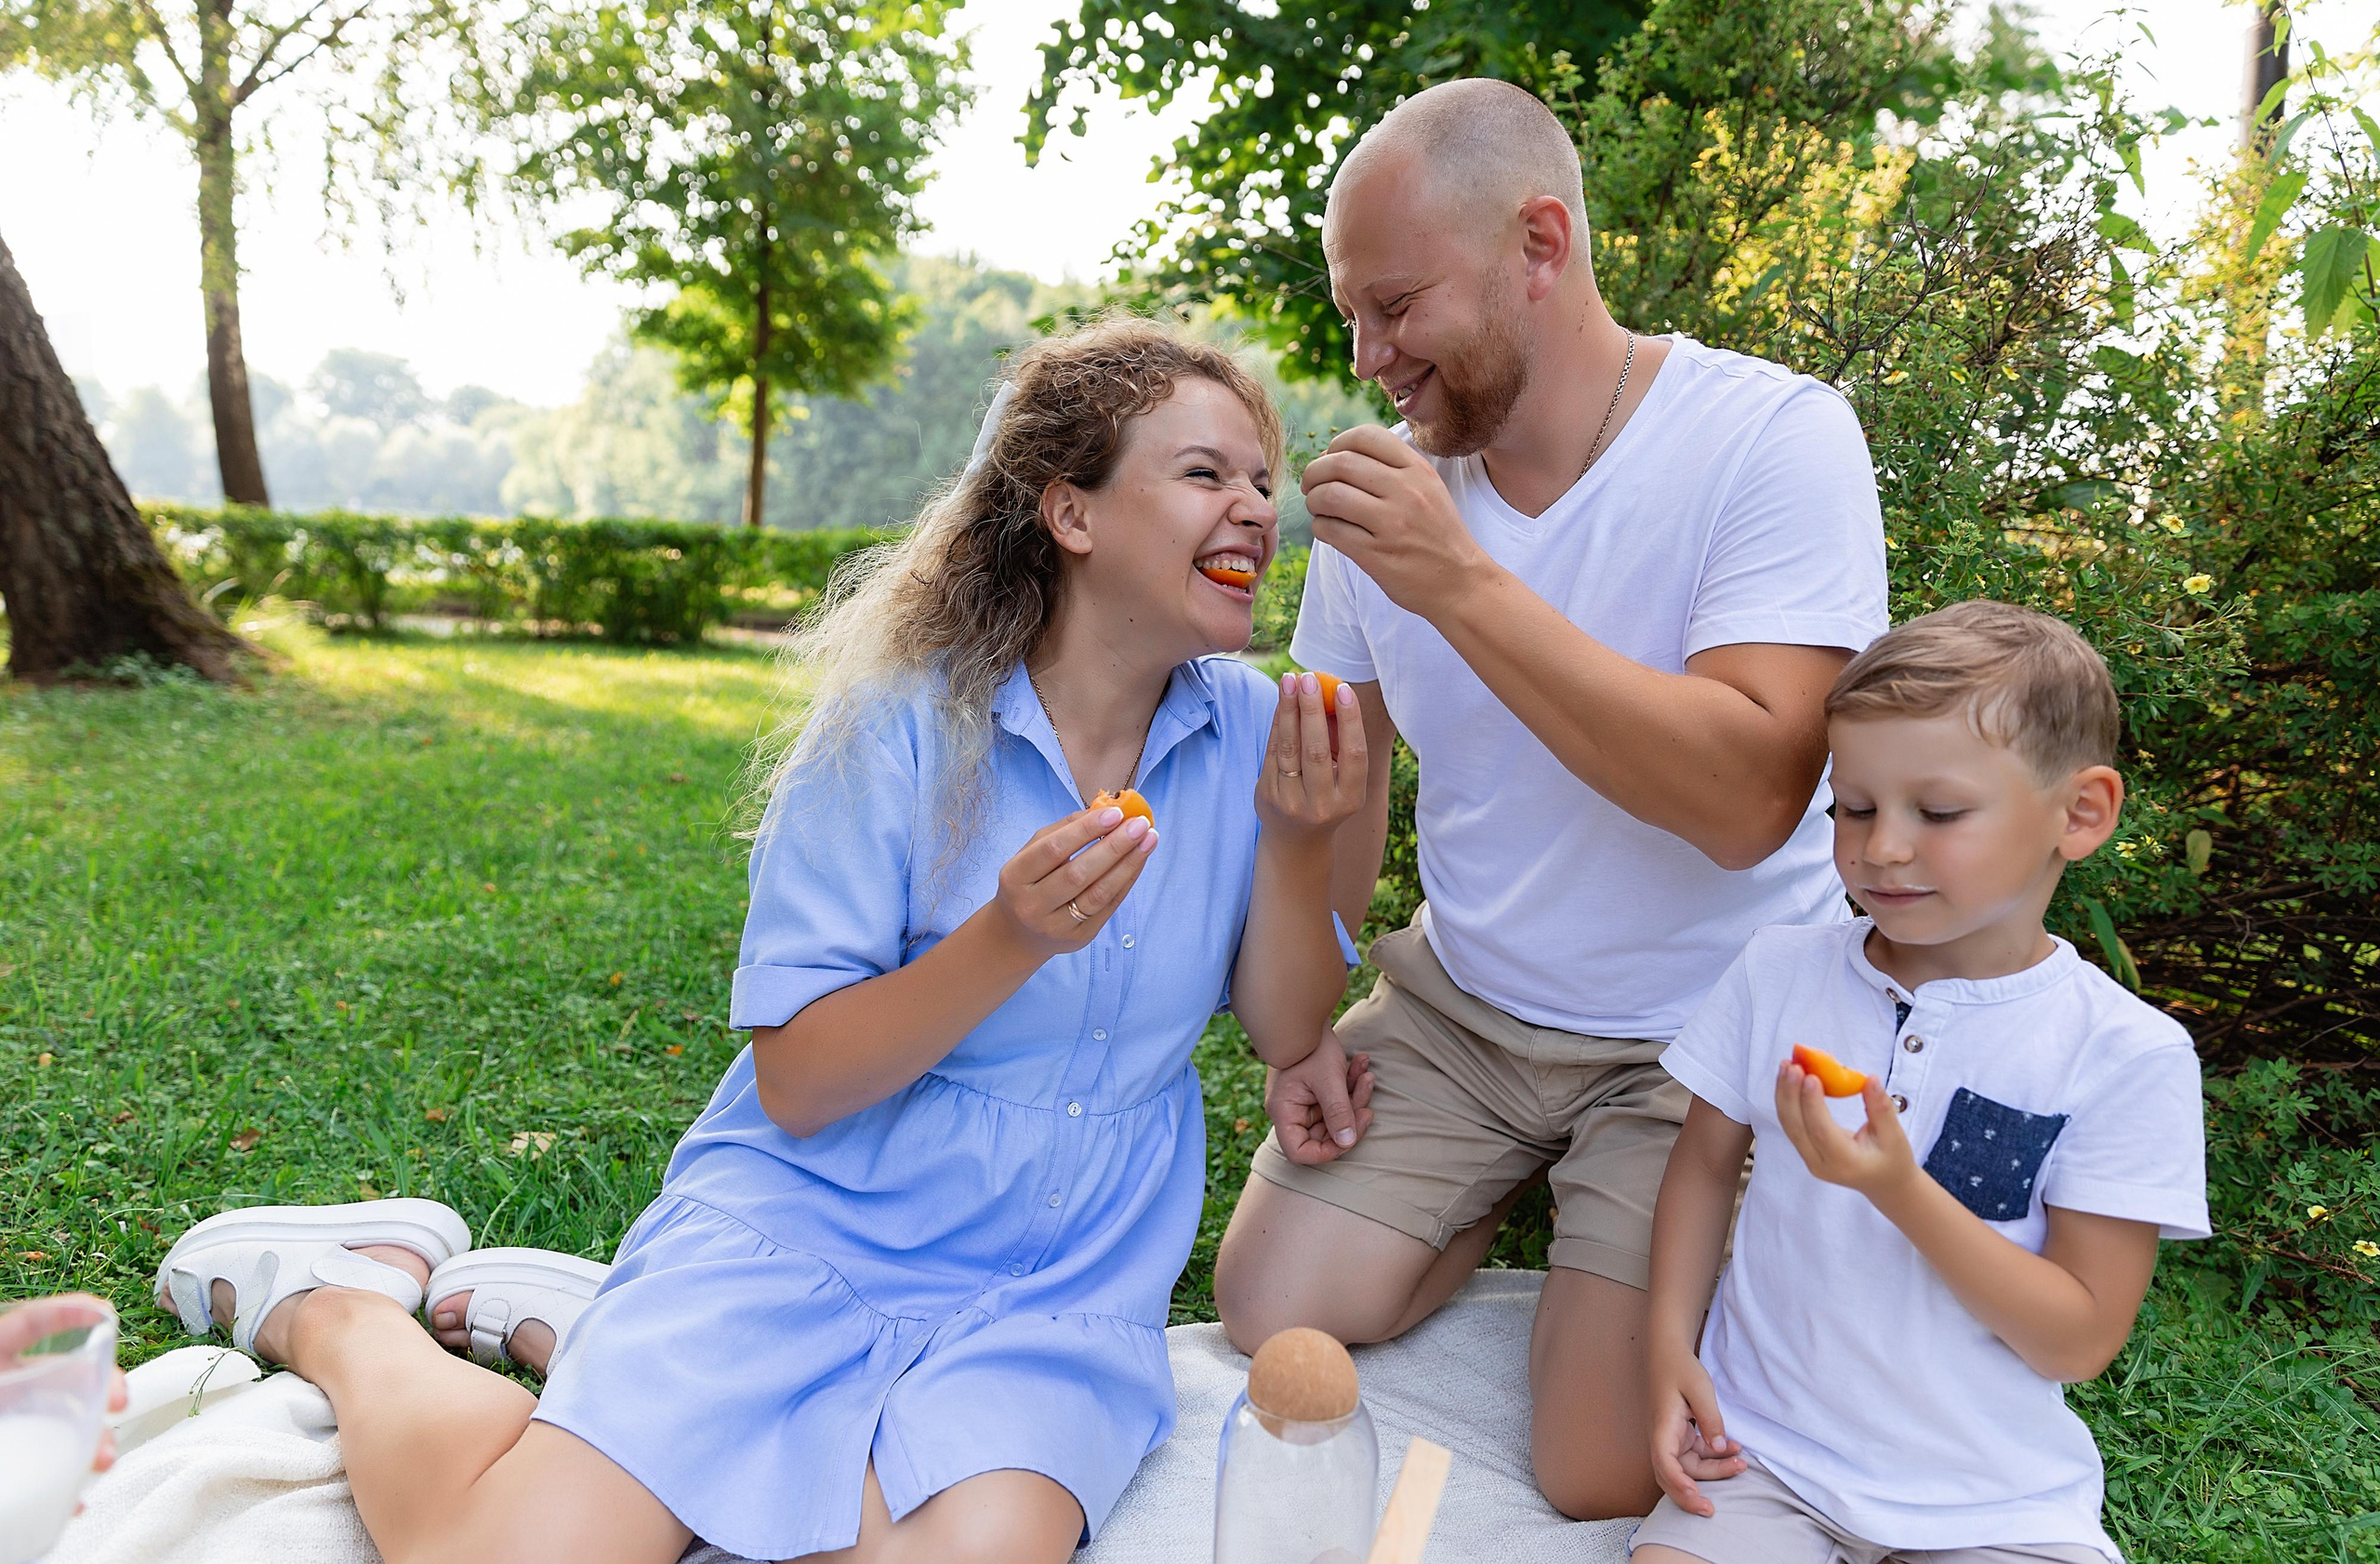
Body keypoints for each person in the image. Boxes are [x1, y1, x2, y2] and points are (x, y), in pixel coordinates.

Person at [146, 319, 1370, 1564]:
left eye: (1264, 481)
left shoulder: (1257, 731)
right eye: (1207, 474)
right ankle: (342, 1306)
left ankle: (589, 1344)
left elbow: (1283, 1027)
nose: (1256, 510)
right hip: (815, 1222)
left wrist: (1295, 839)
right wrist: (1007, 935)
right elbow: (797, 1079)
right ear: (1073, 513)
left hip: (1050, 1290)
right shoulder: (899, 726)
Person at [1212, 78, 1888, 1516]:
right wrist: (1307, 1016)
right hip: (1467, 1006)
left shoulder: (1773, 438)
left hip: (1707, 1027)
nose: (1369, 355)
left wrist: (1461, 583)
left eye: (1396, 305)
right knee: (1275, 1302)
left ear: (1541, 240)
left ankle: (1616, 1207)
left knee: (1594, 1467)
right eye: (1350, 315)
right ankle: (1506, 1189)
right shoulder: (1382, 507)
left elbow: (1749, 797)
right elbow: (1333, 847)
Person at [1635, 601, 2208, 1564]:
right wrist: (1666, 1349)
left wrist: (1897, 1190)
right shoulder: (1780, 971)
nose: (1881, 848)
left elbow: (2075, 1341)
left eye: (1937, 813)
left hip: (1992, 1504)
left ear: (2080, 813)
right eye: (1852, 808)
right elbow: (1699, 1167)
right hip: (1765, 1460)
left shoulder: (2123, 1055)